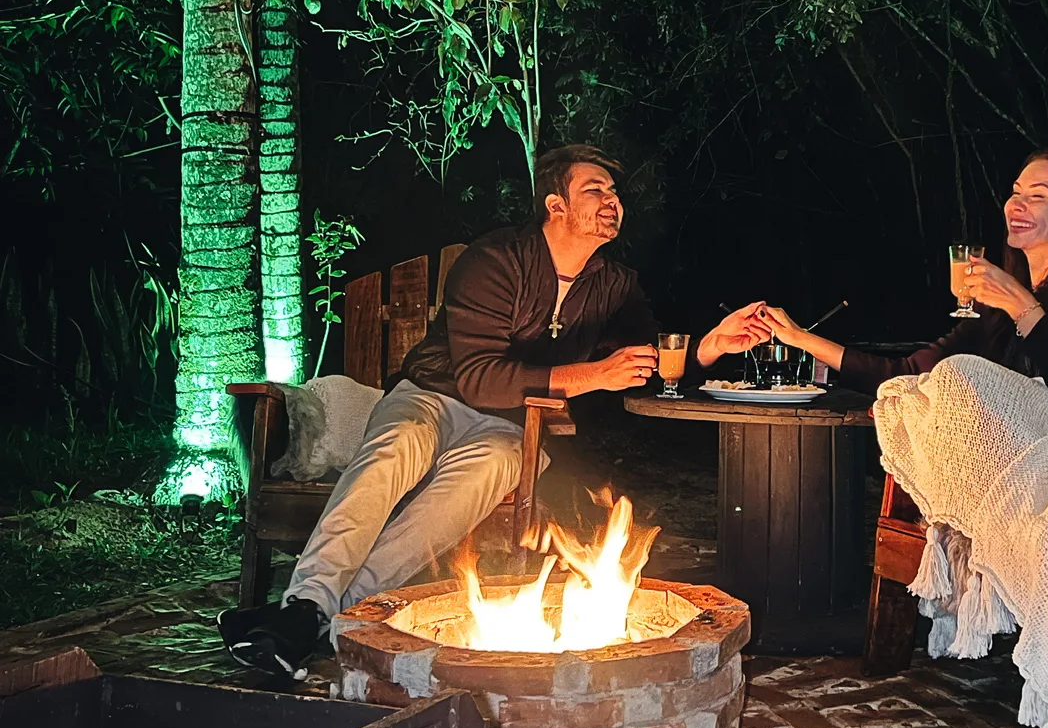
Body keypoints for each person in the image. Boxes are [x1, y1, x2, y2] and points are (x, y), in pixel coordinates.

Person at [220, 144, 770, 679]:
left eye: (614, 192)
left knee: (484, 473)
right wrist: (590, 375)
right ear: (556, 205)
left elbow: (648, 362)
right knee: (396, 445)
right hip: (431, 395)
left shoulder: (613, 286)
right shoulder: (495, 260)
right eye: (595, 189)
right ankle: (309, 601)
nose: (613, 200)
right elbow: (480, 377)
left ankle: (327, 618)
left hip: (509, 426)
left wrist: (709, 347)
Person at [764, 147, 1048, 432]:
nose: (1017, 205)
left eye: (1038, 196)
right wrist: (799, 338)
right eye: (1016, 193)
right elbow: (908, 372)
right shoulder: (997, 305)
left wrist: (1024, 306)